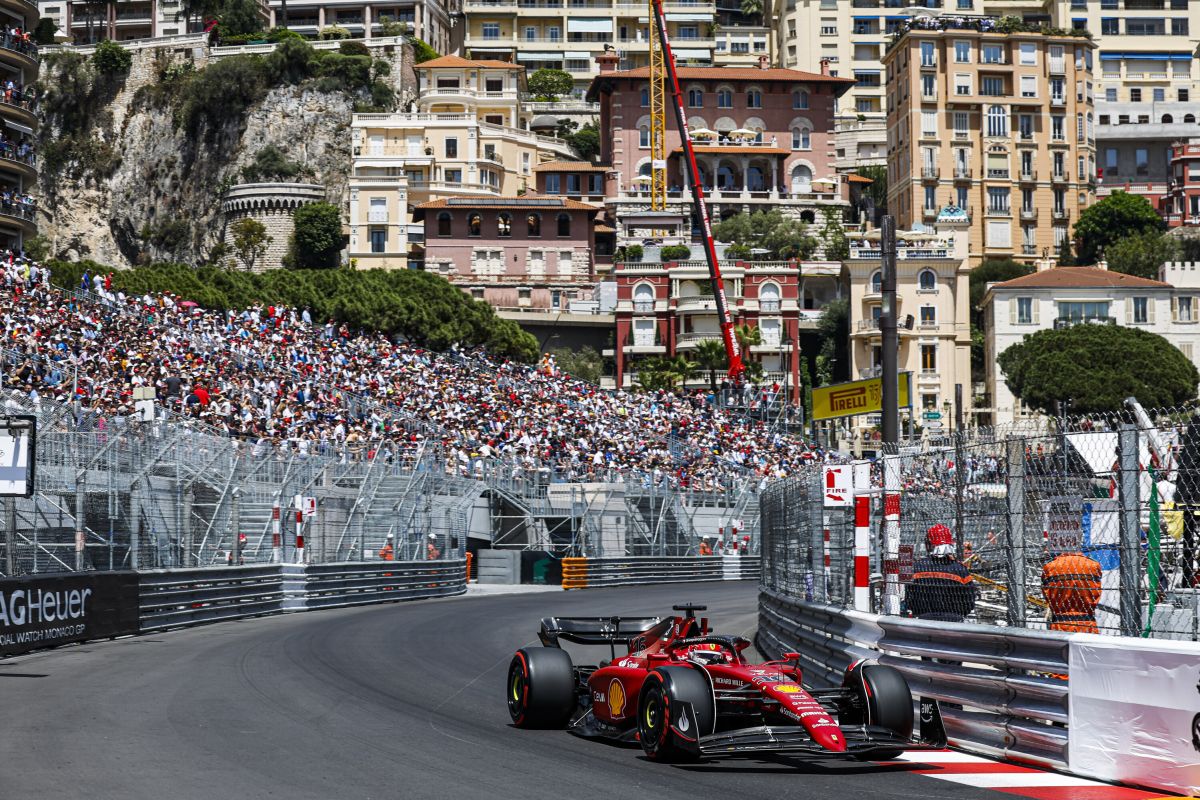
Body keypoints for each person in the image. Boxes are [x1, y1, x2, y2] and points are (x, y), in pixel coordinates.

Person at [906, 524, 977, 622]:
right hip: (953, 620)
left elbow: (909, 596)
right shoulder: (960, 570)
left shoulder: (917, 567)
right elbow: (969, 601)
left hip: (922, 619)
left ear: (929, 544)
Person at [1041, 551, 1101, 633]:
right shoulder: (1093, 565)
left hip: (1059, 624)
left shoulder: (1050, 566)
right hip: (1088, 625)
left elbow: (1046, 592)